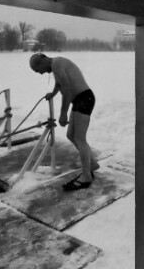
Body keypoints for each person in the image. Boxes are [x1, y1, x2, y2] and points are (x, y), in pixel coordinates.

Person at [29, 53, 99, 191]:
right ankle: (92, 164)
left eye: (38, 70)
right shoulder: (56, 65)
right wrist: (53, 93)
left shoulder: (57, 64)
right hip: (80, 100)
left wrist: (63, 113)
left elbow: (66, 90)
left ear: (41, 62)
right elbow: (60, 83)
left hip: (84, 99)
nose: (41, 73)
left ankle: (86, 176)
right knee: (71, 135)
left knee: (80, 138)